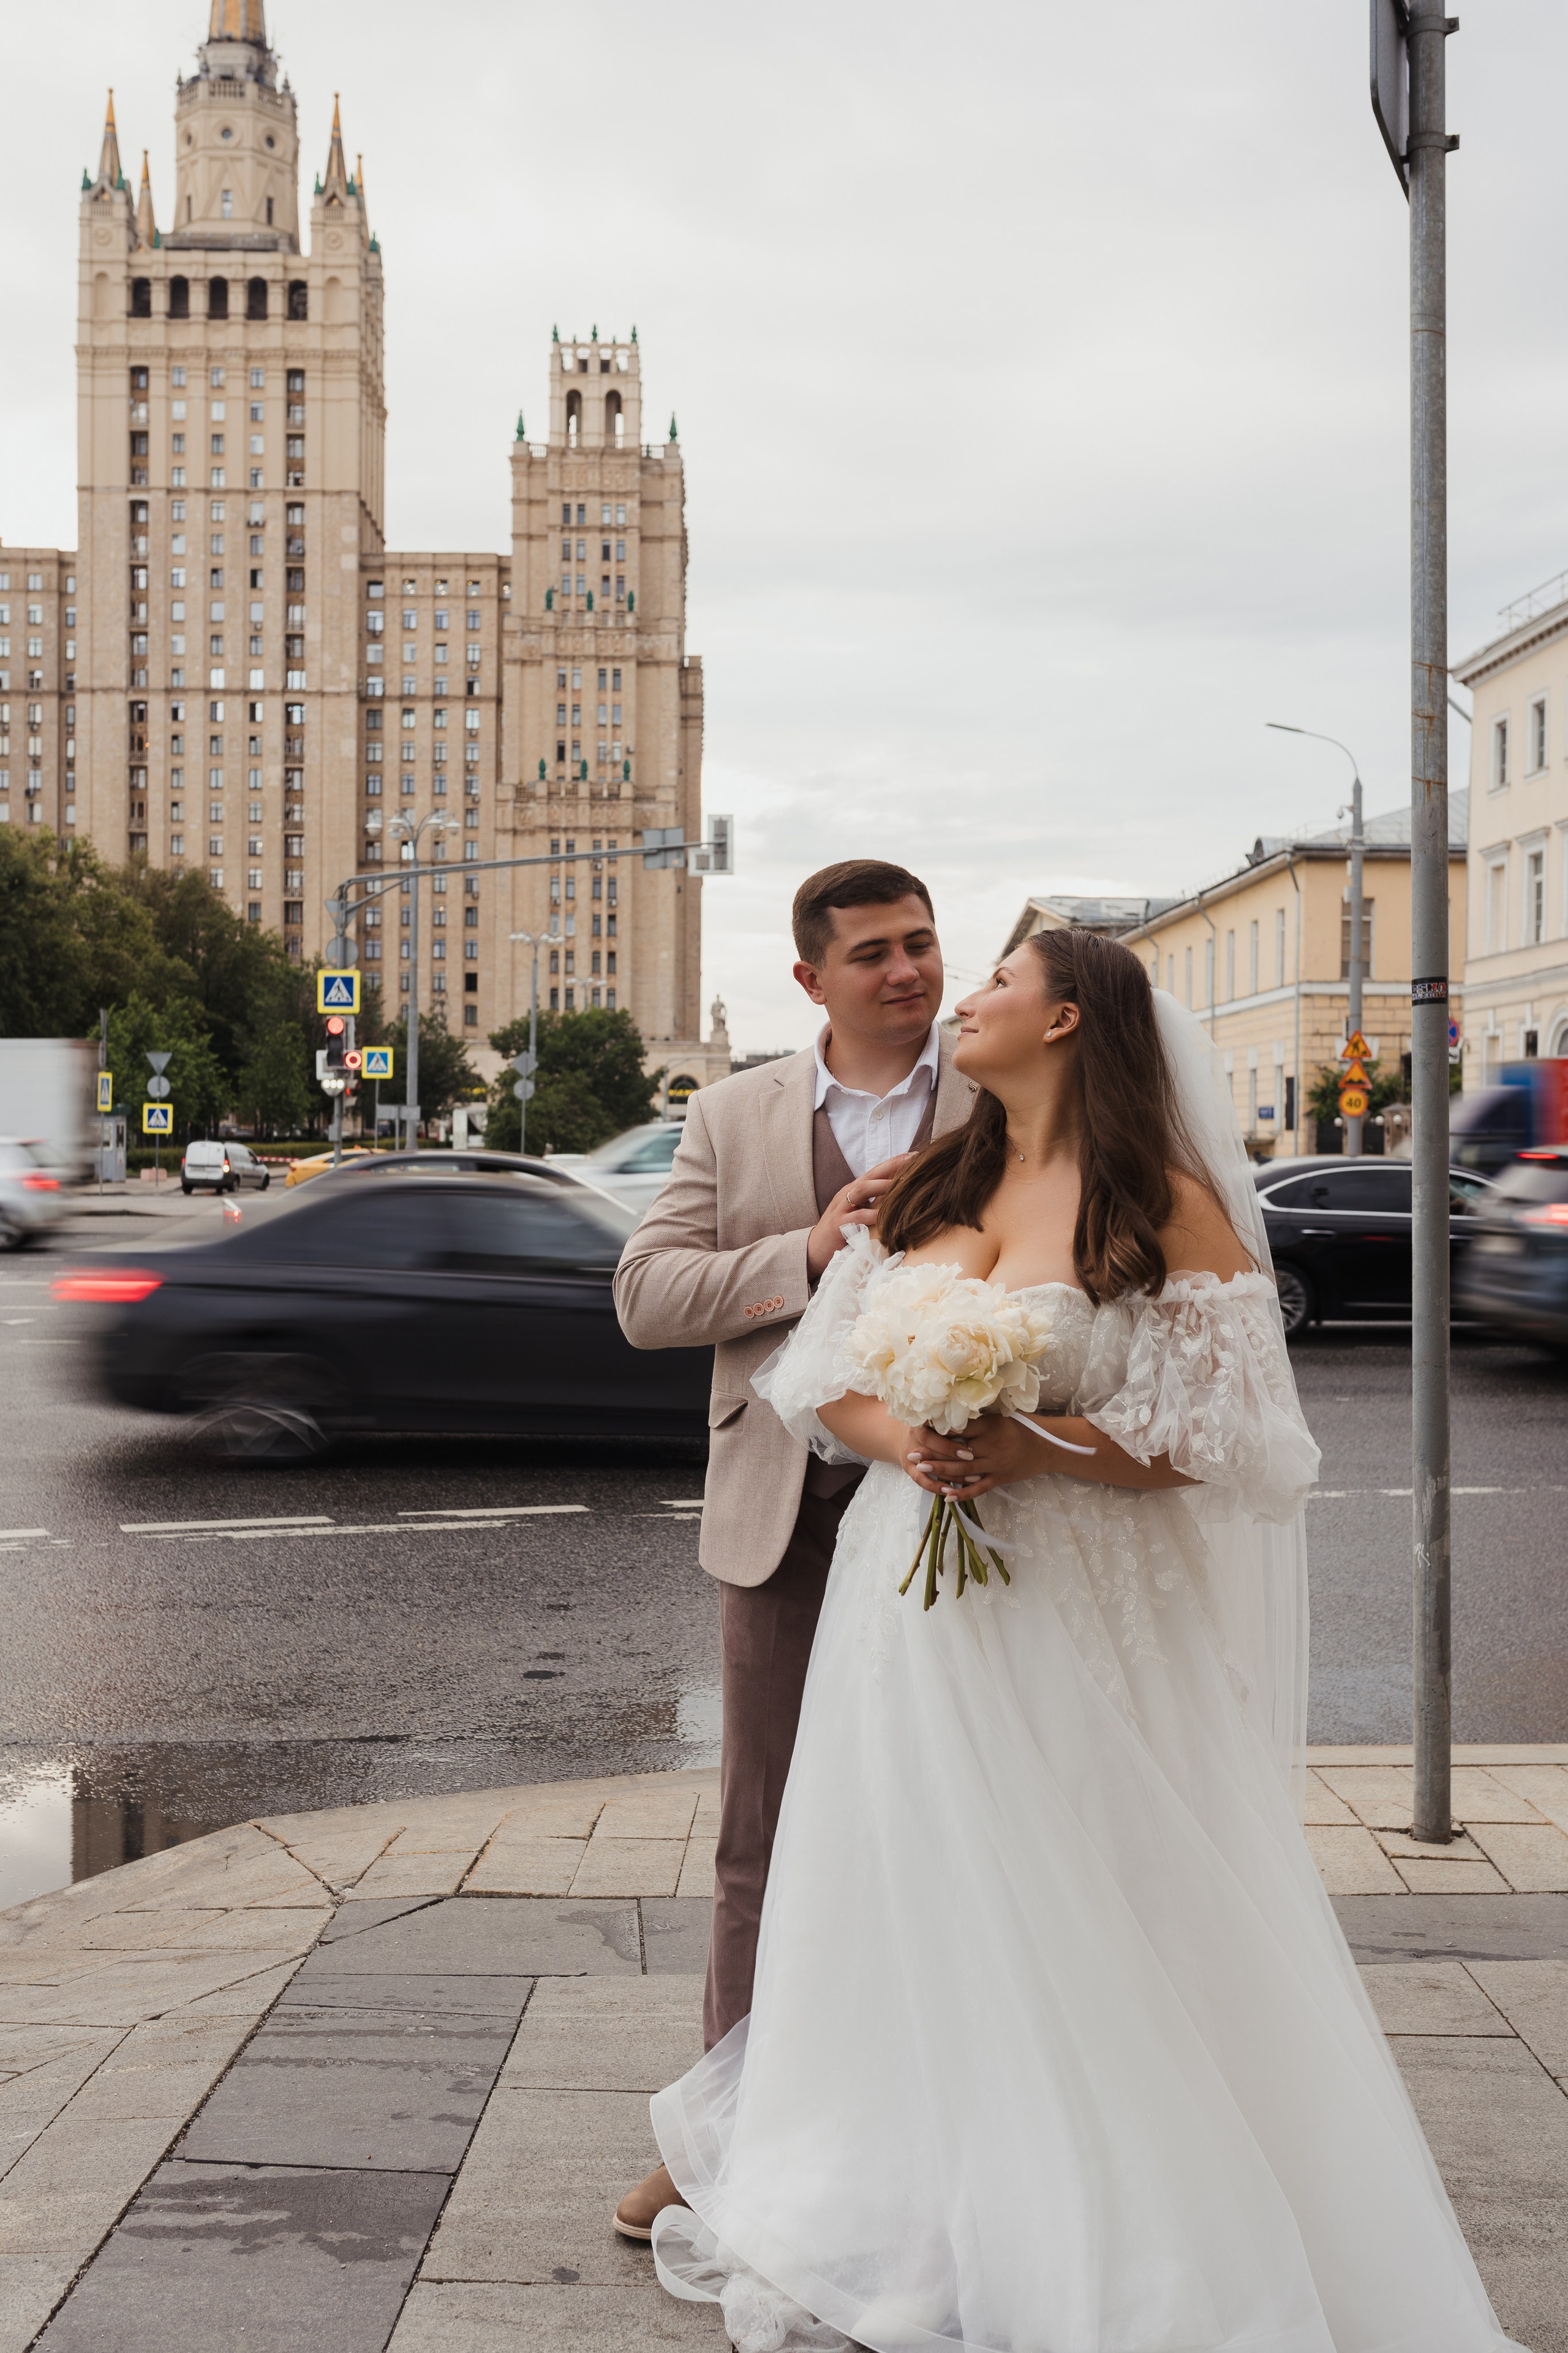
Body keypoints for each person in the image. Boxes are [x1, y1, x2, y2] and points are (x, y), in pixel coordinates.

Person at [644, 928, 1520, 2353]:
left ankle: (1113, 2220)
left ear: (1063, 1021)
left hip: (1074, 1613)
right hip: (905, 1613)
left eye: (992, 980)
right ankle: (925, 2196)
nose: (964, 999)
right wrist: (913, 1438)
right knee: (911, 1888)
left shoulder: (1156, 1201)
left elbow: (1227, 1441)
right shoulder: (939, 1178)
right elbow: (821, 1379)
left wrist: (1026, 1439)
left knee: (1084, 1895)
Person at [609, 858, 978, 2242]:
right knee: (759, 1847)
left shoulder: (997, 1097)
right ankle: (729, 2143)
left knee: (940, 1828)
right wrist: (805, 1249)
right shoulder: (734, 1111)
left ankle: (928, 2125)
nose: (908, 971)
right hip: (781, 1520)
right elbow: (645, 1296)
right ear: (809, 977)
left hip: (954, 1516)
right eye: (875, 952)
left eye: (923, 945)